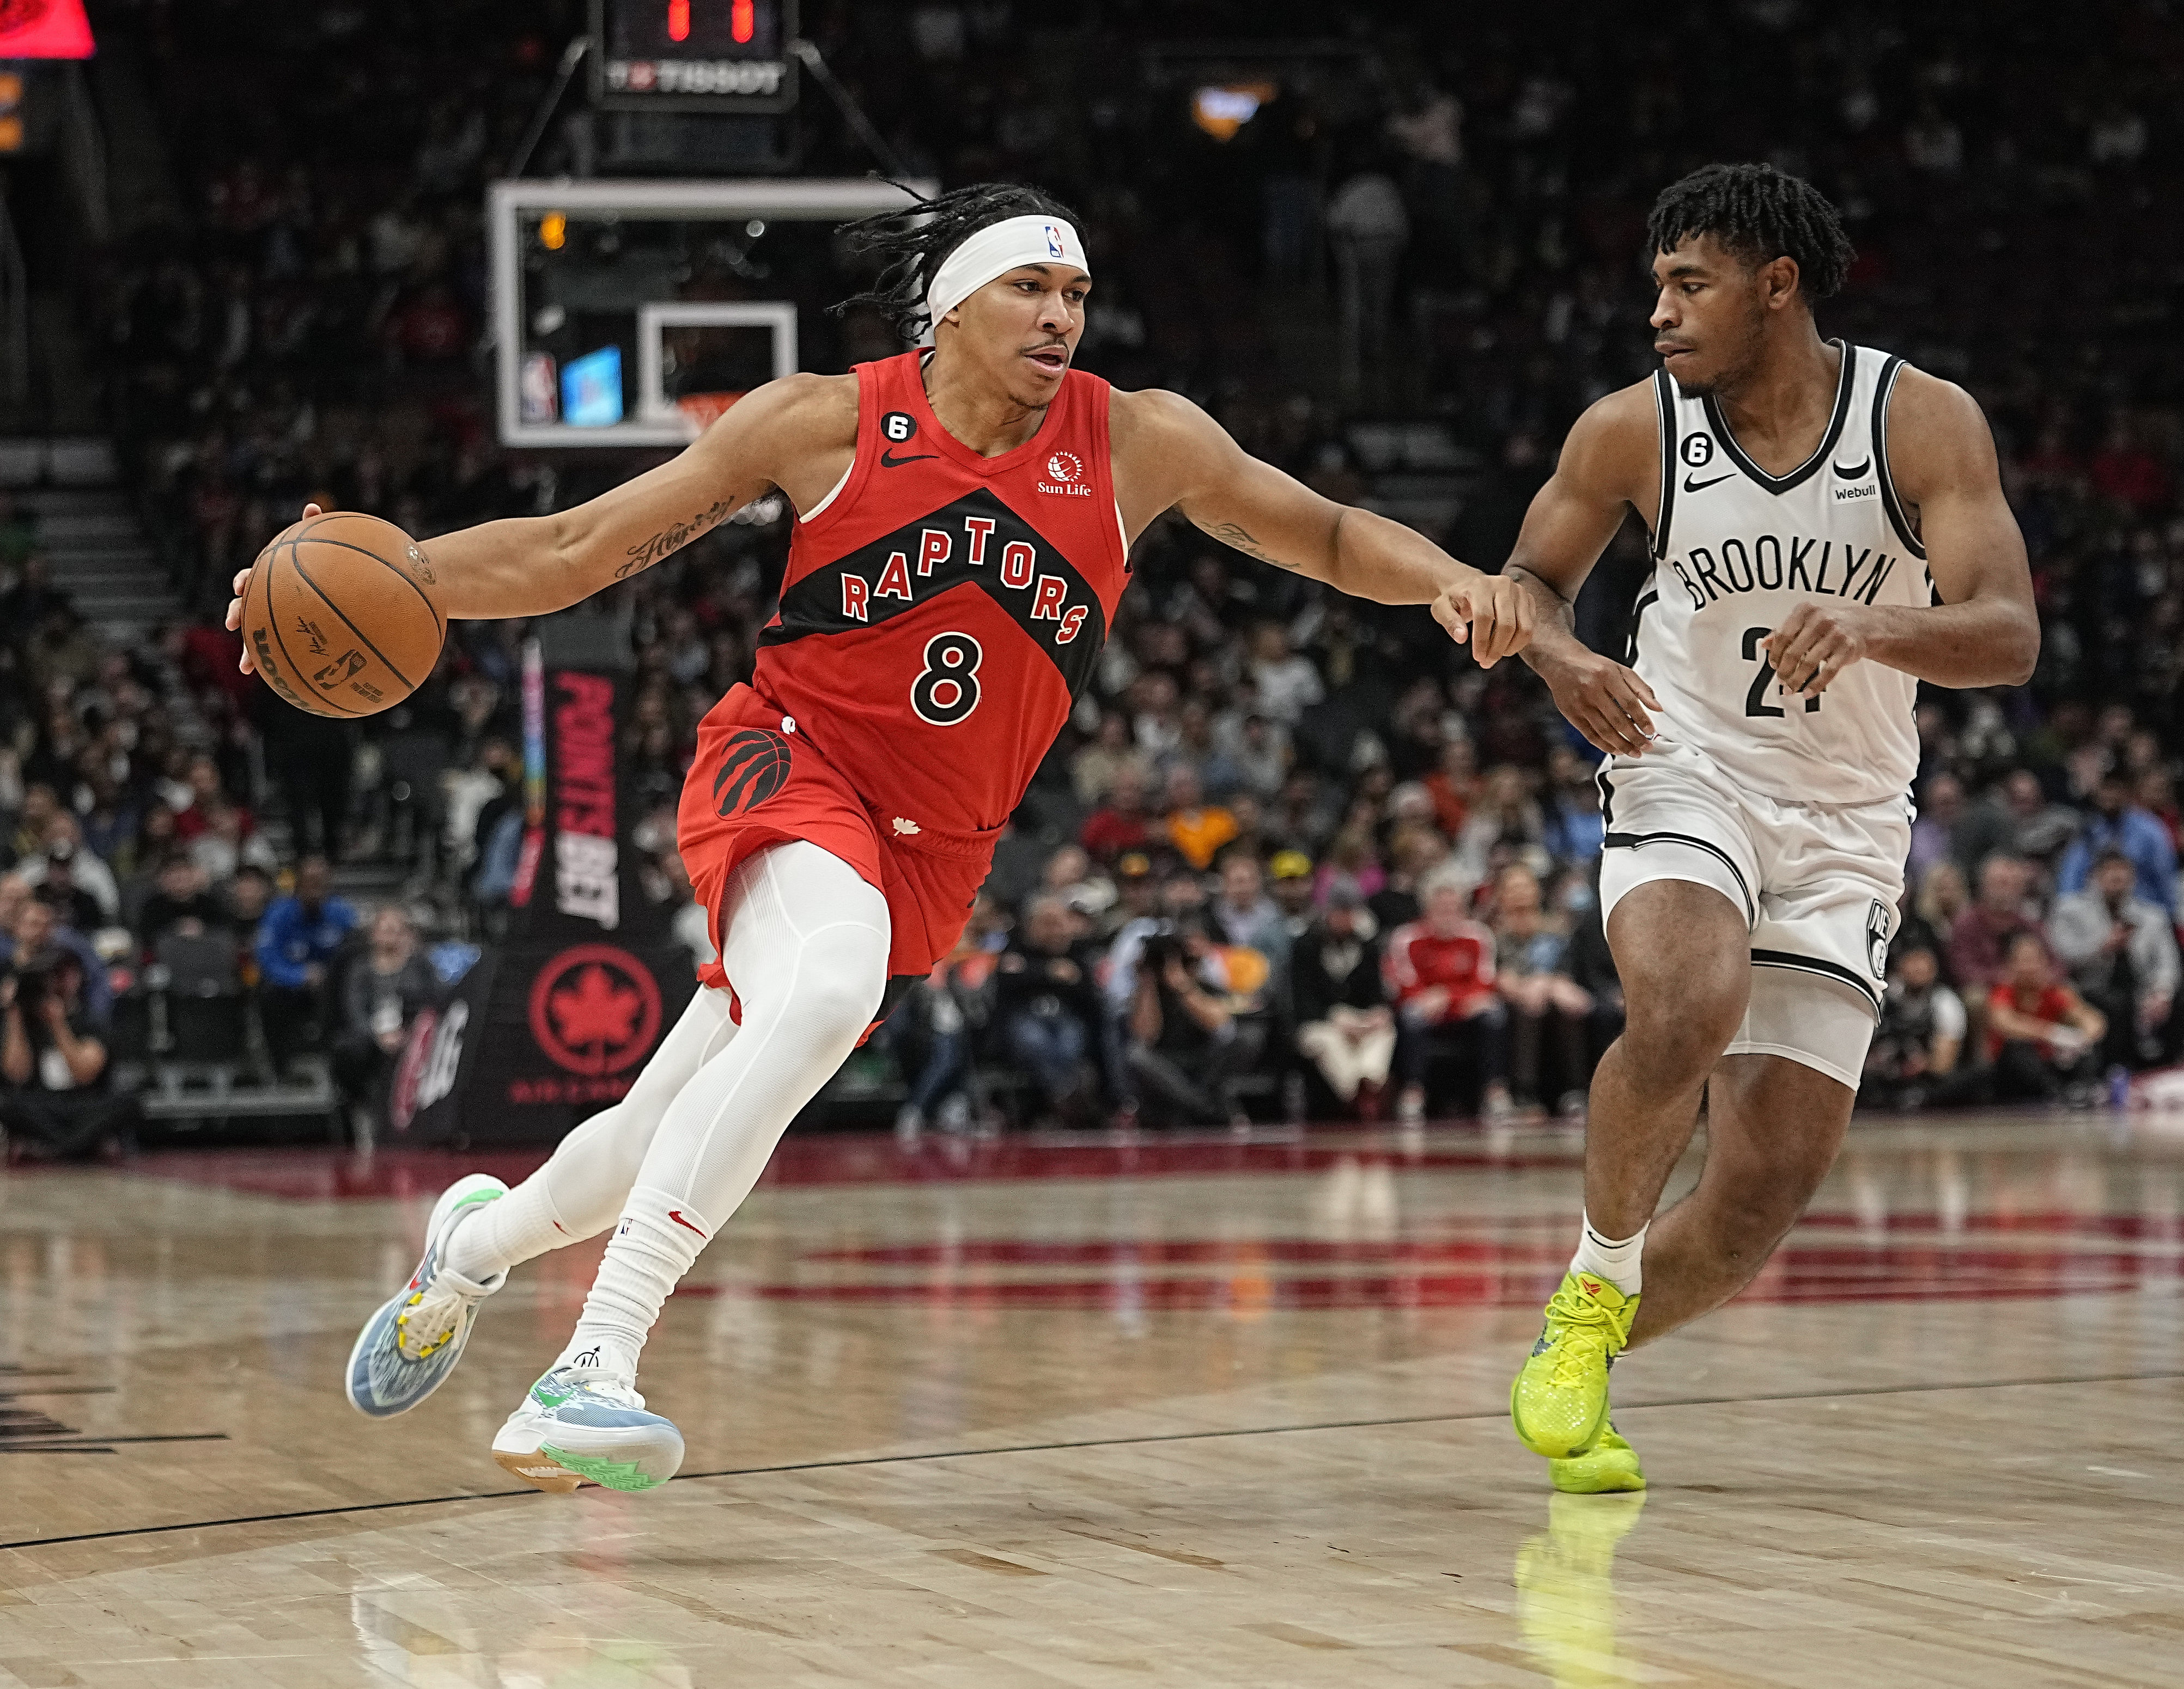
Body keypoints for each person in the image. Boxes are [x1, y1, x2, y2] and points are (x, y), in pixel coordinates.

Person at [258, 181, 1534, 1492]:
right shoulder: (824, 419)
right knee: (821, 986)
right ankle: (589, 1366)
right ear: (948, 303)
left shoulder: (1138, 441)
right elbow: (580, 546)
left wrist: (1444, 574)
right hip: (788, 766)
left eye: (1076, 293)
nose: (1059, 316)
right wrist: (403, 572)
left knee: (648, 1137)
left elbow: (1318, 530)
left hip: (936, 845)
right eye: (1028, 289)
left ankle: (472, 1244)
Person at [1495, 164, 2038, 1493]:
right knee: (1686, 998)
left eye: (1688, 283)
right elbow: (1526, 585)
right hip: (1683, 763)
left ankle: (1587, 1333)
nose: (1658, 314)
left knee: (1759, 1193)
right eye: (1655, 286)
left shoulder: (1918, 421)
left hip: (1848, 811)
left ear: (1773, 284)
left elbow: (2009, 634)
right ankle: (1590, 1287)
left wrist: (1875, 623)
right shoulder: (1630, 430)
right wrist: (1560, 663)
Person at [1384, 874, 1509, 1123]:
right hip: (1425, 1007)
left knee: (1494, 1014)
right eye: (1441, 909)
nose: (1447, 915)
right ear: (1427, 910)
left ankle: (1495, 1092)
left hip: (1466, 1010)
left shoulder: (1478, 936)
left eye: (1454, 909)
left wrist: (1449, 997)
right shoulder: (1406, 938)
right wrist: (1431, 999)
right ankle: (1413, 1093)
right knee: (1411, 1016)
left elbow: (1485, 982)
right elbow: (1403, 985)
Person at [0, 945, 136, 1162]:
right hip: (43, 1104)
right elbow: (16, 1075)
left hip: (84, 1103)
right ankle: (73, 1147)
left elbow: (85, 1074)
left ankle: (58, 1147)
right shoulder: (26, 1024)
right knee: (8, 1103)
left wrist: (58, 1025)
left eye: (65, 975)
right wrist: (14, 1015)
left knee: (127, 1101)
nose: (59, 983)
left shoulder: (91, 1023)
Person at [2048, 848, 2179, 1071]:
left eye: (2123, 871)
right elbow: (2060, 955)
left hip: (2141, 986)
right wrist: (2102, 947)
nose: (2117, 877)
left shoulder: (2152, 916)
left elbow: (2168, 961)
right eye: (2109, 871)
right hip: (2091, 986)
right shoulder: (2069, 910)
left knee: (2176, 996)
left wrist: (2162, 993)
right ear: (2094, 877)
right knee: (2116, 1004)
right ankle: (2117, 1068)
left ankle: (2168, 1066)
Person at [1492, 864, 1594, 1116]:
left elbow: (1566, 970)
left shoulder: (1556, 928)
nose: (1521, 894)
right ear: (1502, 895)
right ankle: (1526, 1094)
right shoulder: (1495, 933)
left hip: (1551, 991)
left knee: (1568, 1008)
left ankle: (1575, 1091)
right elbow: (1497, 974)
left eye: (1526, 887)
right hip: (1512, 997)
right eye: (1514, 888)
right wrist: (1527, 989)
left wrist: (1545, 984)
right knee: (1530, 1010)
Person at [993, 890, 1104, 1124]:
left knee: (1070, 1041)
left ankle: (1058, 1100)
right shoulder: (1015, 945)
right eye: (1048, 924)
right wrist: (1049, 972)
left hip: (1066, 1019)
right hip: (1023, 1019)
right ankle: (1064, 1096)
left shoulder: (1078, 950)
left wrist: (1033, 972)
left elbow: (1087, 989)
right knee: (1033, 1040)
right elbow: (1008, 980)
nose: (1057, 931)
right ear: (1032, 926)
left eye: (1060, 924)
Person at [332, 907, 440, 1133]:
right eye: (385, 931)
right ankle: (363, 1113)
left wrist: (412, 1033)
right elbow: (354, 1010)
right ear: (374, 935)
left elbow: (436, 1001)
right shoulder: (360, 970)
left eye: (396, 931)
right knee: (349, 1050)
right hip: (371, 1038)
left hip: (414, 1035)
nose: (391, 937)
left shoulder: (421, 966)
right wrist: (378, 1035)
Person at [1291, 888, 1393, 1117]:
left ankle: (1371, 1084)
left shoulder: (1368, 947)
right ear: (1327, 913)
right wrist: (1336, 1019)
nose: (1344, 919)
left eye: (1349, 913)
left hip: (1360, 1019)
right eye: (1339, 912)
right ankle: (1354, 1094)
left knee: (1384, 1034)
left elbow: (1376, 994)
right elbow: (1302, 1001)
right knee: (1330, 1042)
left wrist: (1377, 1014)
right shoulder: (1306, 946)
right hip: (1320, 1021)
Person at [255, 854, 358, 1072]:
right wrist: (300, 975)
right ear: (298, 885)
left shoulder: (342, 913)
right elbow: (267, 958)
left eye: (320, 883)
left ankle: (339, 1065)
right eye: (309, 883)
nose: (314, 890)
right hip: (290, 986)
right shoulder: (278, 913)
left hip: (330, 986)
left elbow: (354, 956)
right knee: (268, 993)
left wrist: (327, 976)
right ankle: (280, 1066)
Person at [1984, 931, 2105, 1102]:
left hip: (2052, 1064)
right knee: (2017, 1049)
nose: (2030, 967)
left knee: (2087, 1051)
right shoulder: (2003, 993)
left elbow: (2091, 1020)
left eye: (2035, 960)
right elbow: (2004, 1022)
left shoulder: (2055, 992)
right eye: (2023, 961)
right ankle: (2056, 1094)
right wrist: (2053, 1034)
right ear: (2010, 966)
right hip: (2011, 1075)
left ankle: (2082, 1090)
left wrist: (2080, 1038)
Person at [2055, 766, 2178, 919]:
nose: (2110, 795)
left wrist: (2171, 916)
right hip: (2099, 914)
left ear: (2126, 793)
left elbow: (2164, 877)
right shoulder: (2090, 830)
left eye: (2115, 789)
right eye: (2105, 789)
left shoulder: (2150, 830)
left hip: (2144, 910)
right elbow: (2071, 876)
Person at [1861, 942, 1967, 1108]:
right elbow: (1864, 1046)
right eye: (1913, 962)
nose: (1918, 969)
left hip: (1927, 1081)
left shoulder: (1945, 1002)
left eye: (1924, 963)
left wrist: (1923, 1064)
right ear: (1899, 966)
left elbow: (1944, 1063)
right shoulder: (1884, 999)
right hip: (1884, 1078)